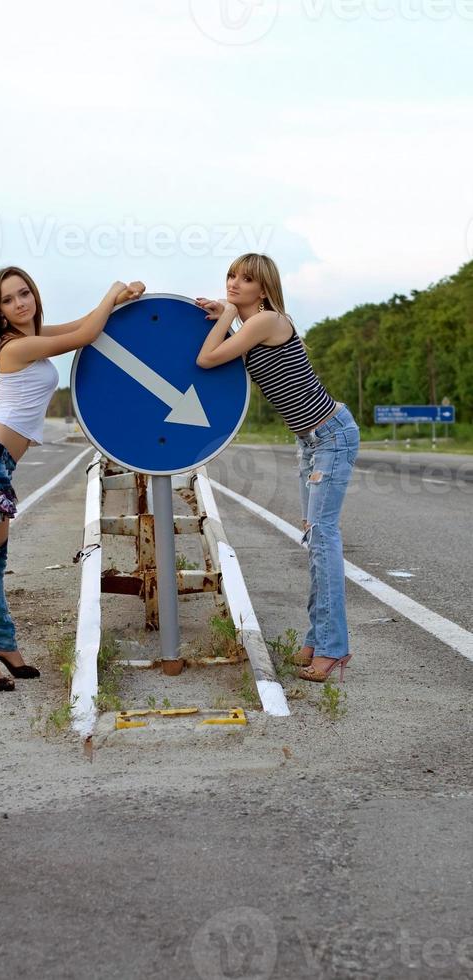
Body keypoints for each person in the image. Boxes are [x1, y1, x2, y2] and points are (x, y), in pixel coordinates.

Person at [0, 267, 145, 691]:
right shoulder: (14, 347)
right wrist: (112, 288)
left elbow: (85, 323)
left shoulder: (32, 337)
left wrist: (121, 302)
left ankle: (4, 645)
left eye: (24, 293)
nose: (20, 302)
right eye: (8, 299)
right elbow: (84, 336)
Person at [195, 253, 359, 683]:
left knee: (323, 539)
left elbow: (208, 358)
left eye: (245, 280)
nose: (234, 283)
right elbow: (229, 347)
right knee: (315, 540)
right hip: (309, 443)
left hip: (331, 437)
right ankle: (317, 639)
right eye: (231, 275)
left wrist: (227, 314)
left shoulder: (266, 321)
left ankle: (334, 648)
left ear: (263, 290)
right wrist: (228, 317)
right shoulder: (253, 326)